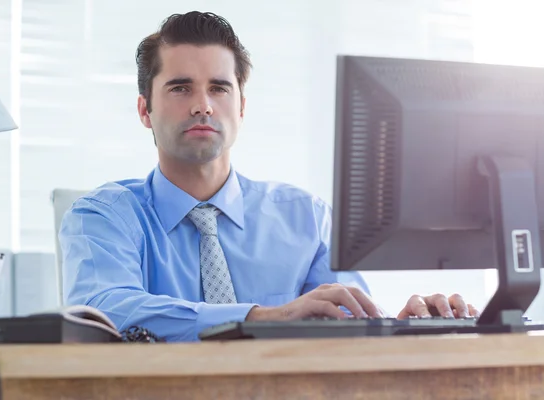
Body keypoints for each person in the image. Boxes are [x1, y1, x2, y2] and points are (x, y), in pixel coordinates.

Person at [59, 11, 479, 342]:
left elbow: (350, 326)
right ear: (144, 111)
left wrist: (404, 329)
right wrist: (258, 318)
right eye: (181, 88)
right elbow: (104, 312)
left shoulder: (308, 219)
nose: (202, 105)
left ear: (241, 108)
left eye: (220, 88)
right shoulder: (102, 217)